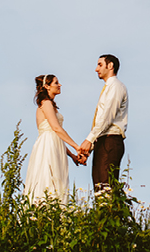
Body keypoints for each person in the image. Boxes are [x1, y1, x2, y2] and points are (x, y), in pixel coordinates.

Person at [24, 74, 86, 204]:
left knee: (57, 180)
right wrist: (76, 146)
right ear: (47, 86)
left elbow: (57, 136)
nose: (59, 85)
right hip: (47, 146)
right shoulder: (46, 104)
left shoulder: (49, 104)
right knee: (48, 178)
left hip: (54, 144)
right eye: (56, 83)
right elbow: (56, 129)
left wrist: (72, 156)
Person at [78, 54, 128, 191]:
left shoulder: (116, 87)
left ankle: (111, 213)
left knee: (106, 188)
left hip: (110, 141)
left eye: (100, 65)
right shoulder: (109, 88)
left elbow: (107, 118)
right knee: (99, 188)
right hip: (102, 141)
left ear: (110, 66)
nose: (96, 69)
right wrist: (91, 147)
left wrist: (89, 140)